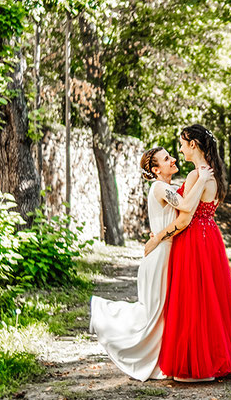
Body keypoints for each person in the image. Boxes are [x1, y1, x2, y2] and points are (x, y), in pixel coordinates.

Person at [88, 147, 212, 381]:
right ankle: (104, 314)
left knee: (165, 315)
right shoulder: (159, 187)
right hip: (159, 257)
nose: (173, 159)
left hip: (169, 255)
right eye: (167, 159)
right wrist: (202, 178)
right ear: (156, 170)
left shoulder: (172, 187)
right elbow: (186, 207)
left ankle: (160, 361)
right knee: (153, 314)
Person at [156, 124, 231, 382]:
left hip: (194, 237)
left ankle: (196, 366)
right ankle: (212, 359)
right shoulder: (214, 174)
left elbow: (185, 214)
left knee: (192, 298)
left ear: (193, 144)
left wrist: (157, 240)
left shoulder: (199, 175)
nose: (180, 149)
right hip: (211, 237)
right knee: (209, 299)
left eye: (182, 144)